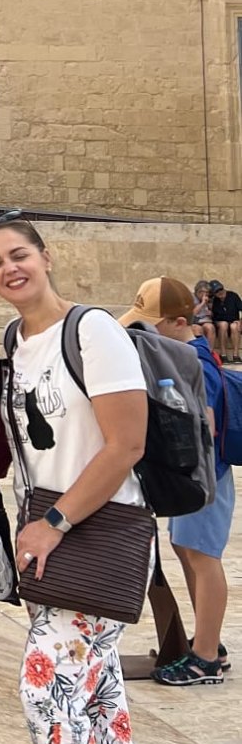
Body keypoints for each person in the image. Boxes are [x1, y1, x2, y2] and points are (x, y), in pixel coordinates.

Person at [0, 212, 146, 744]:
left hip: (92, 531)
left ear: (46, 256)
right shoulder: (17, 341)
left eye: (19, 254)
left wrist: (55, 522)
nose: (9, 269)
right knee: (101, 704)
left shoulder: (93, 330)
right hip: (56, 535)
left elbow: (126, 443)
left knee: (47, 696)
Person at [120, 277, 234, 688]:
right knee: (188, 551)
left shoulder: (195, 362)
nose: (146, 334)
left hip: (206, 477)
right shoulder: (181, 356)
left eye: (151, 326)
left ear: (179, 322)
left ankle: (206, 658)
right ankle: (208, 641)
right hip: (192, 478)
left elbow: (206, 426)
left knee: (203, 558)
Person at [213, 281, 242, 364]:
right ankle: (223, 355)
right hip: (220, 322)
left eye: (221, 289)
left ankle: (236, 355)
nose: (220, 292)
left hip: (233, 321)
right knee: (223, 324)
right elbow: (213, 316)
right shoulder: (215, 300)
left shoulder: (233, 296)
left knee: (234, 326)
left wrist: (240, 321)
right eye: (217, 291)